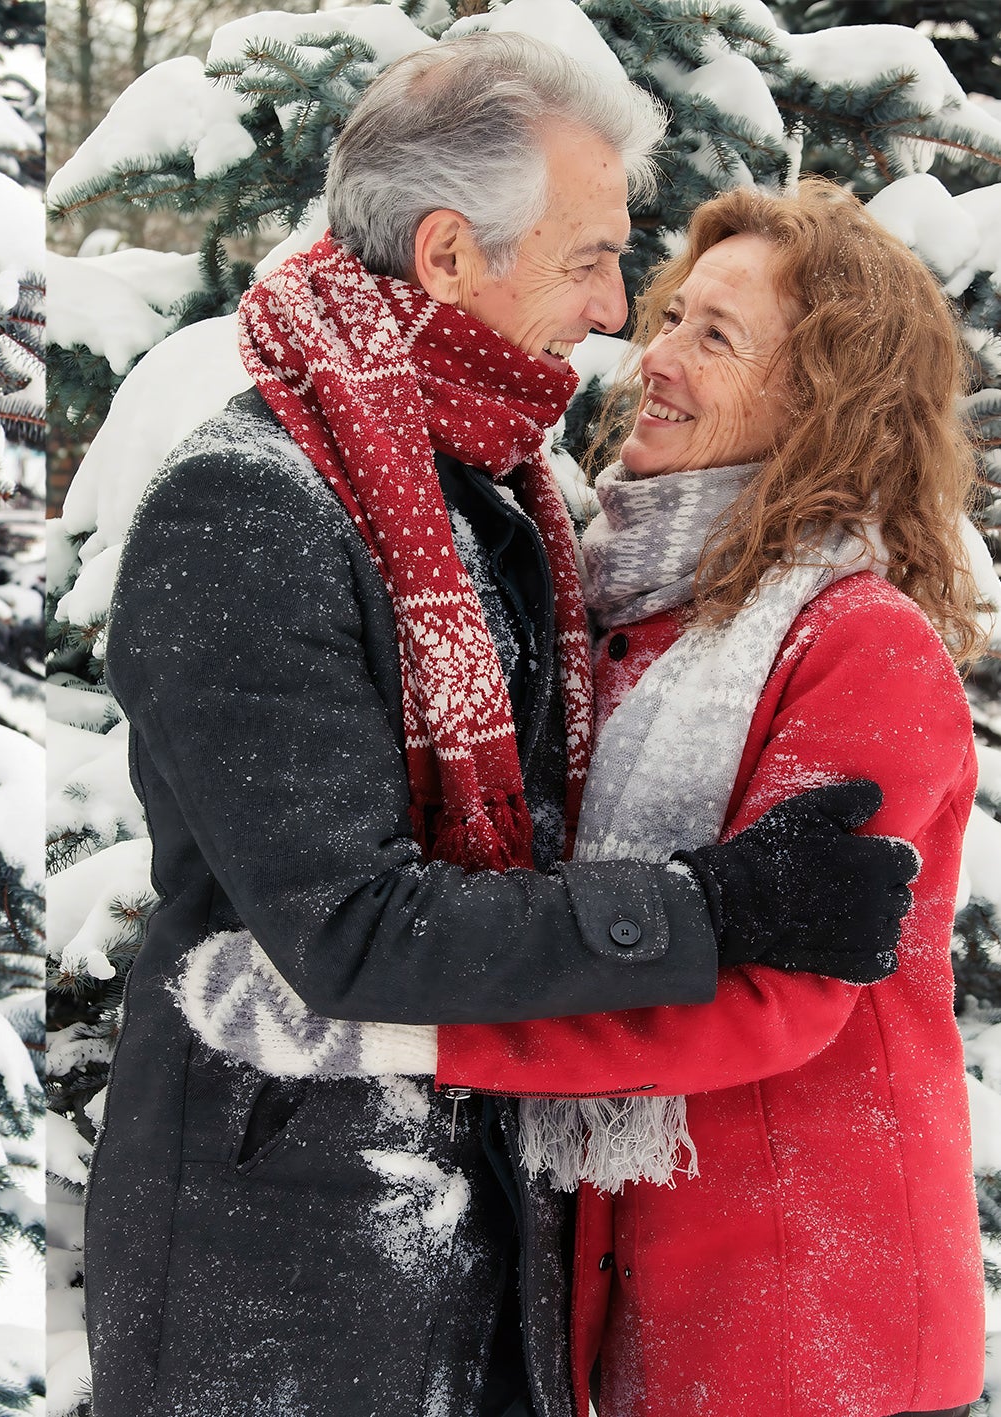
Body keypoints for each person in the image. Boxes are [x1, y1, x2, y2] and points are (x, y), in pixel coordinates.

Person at [84, 32, 919, 1417]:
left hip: (486, 1240)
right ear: (448, 256)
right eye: (591, 257)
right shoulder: (252, 505)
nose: (612, 312)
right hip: (292, 1278)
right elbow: (348, 927)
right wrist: (702, 907)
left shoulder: (502, 499)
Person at [435, 180, 985, 1417]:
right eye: (672, 316)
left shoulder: (860, 648)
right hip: (648, 1316)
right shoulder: (628, 624)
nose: (654, 357)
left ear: (823, 406)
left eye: (715, 336)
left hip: (815, 1331)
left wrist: (412, 1023)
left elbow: (769, 994)